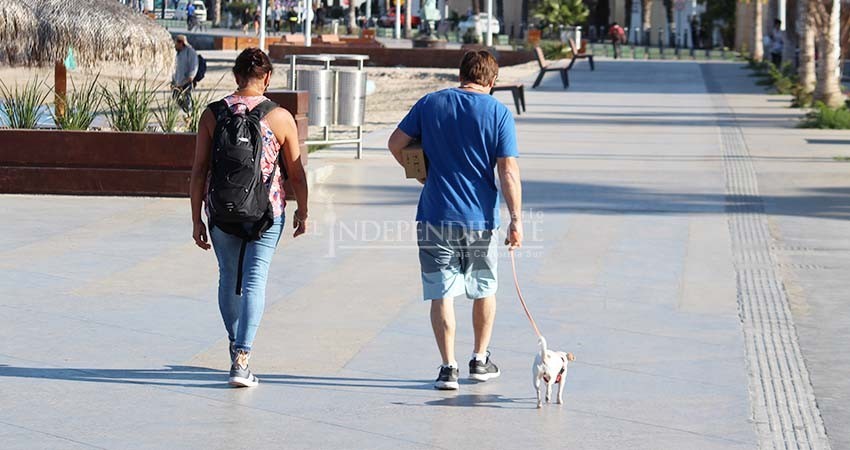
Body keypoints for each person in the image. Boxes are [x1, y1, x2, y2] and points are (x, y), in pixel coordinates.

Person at [387, 50, 523, 391]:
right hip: (479, 219)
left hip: (435, 214)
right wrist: (516, 219)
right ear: (492, 81)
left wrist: (421, 174)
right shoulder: (498, 112)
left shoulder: (430, 103)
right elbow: (508, 171)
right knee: (484, 290)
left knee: (441, 293)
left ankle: (448, 368)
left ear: (461, 73)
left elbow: (395, 144)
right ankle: (479, 359)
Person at [190, 48, 309, 387]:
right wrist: (304, 209)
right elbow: (297, 174)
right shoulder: (280, 117)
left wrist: (196, 218)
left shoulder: (212, 114)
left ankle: (233, 342)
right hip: (266, 213)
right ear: (267, 78)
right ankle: (242, 359)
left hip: (220, 211)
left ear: (236, 76)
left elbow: (199, 170)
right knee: (255, 281)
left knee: (228, 277)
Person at [172, 35, 198, 113]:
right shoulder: (179, 53)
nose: (175, 45)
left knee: (187, 99)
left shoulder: (190, 52)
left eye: (176, 43)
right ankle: (188, 112)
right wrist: (173, 81)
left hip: (187, 81)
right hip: (178, 82)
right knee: (175, 97)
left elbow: (194, 65)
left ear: (181, 43)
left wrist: (190, 77)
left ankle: (189, 114)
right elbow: (176, 69)